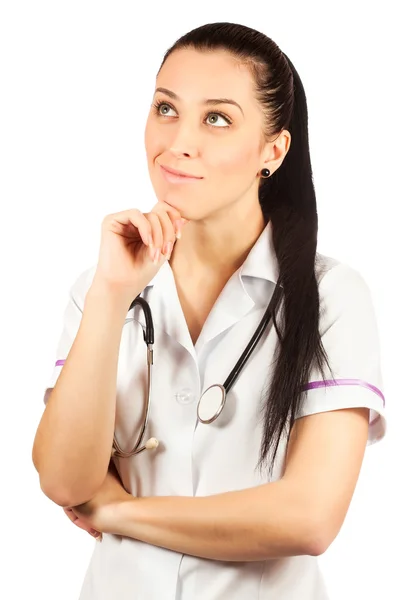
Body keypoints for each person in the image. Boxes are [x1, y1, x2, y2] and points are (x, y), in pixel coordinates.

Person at [32, 21, 387, 600]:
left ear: (272, 150)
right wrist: (109, 294)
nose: (178, 142)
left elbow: (309, 517)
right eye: (166, 108)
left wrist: (119, 512)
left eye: (216, 118)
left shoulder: (331, 296)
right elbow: (64, 478)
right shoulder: (102, 288)